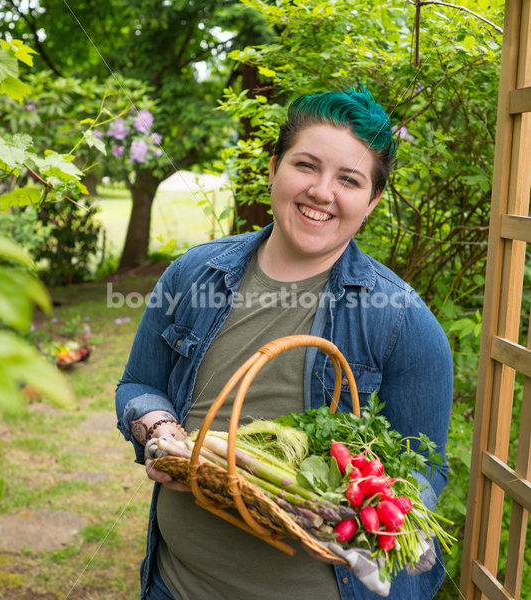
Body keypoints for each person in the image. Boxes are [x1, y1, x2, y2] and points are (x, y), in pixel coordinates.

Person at [116, 87, 453, 600]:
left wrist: (365, 508)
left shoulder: (403, 321)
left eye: (349, 179)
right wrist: (159, 431)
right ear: (274, 168)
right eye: (306, 165)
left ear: (373, 200)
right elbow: (140, 382)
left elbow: (425, 465)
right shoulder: (193, 275)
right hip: (176, 584)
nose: (322, 191)